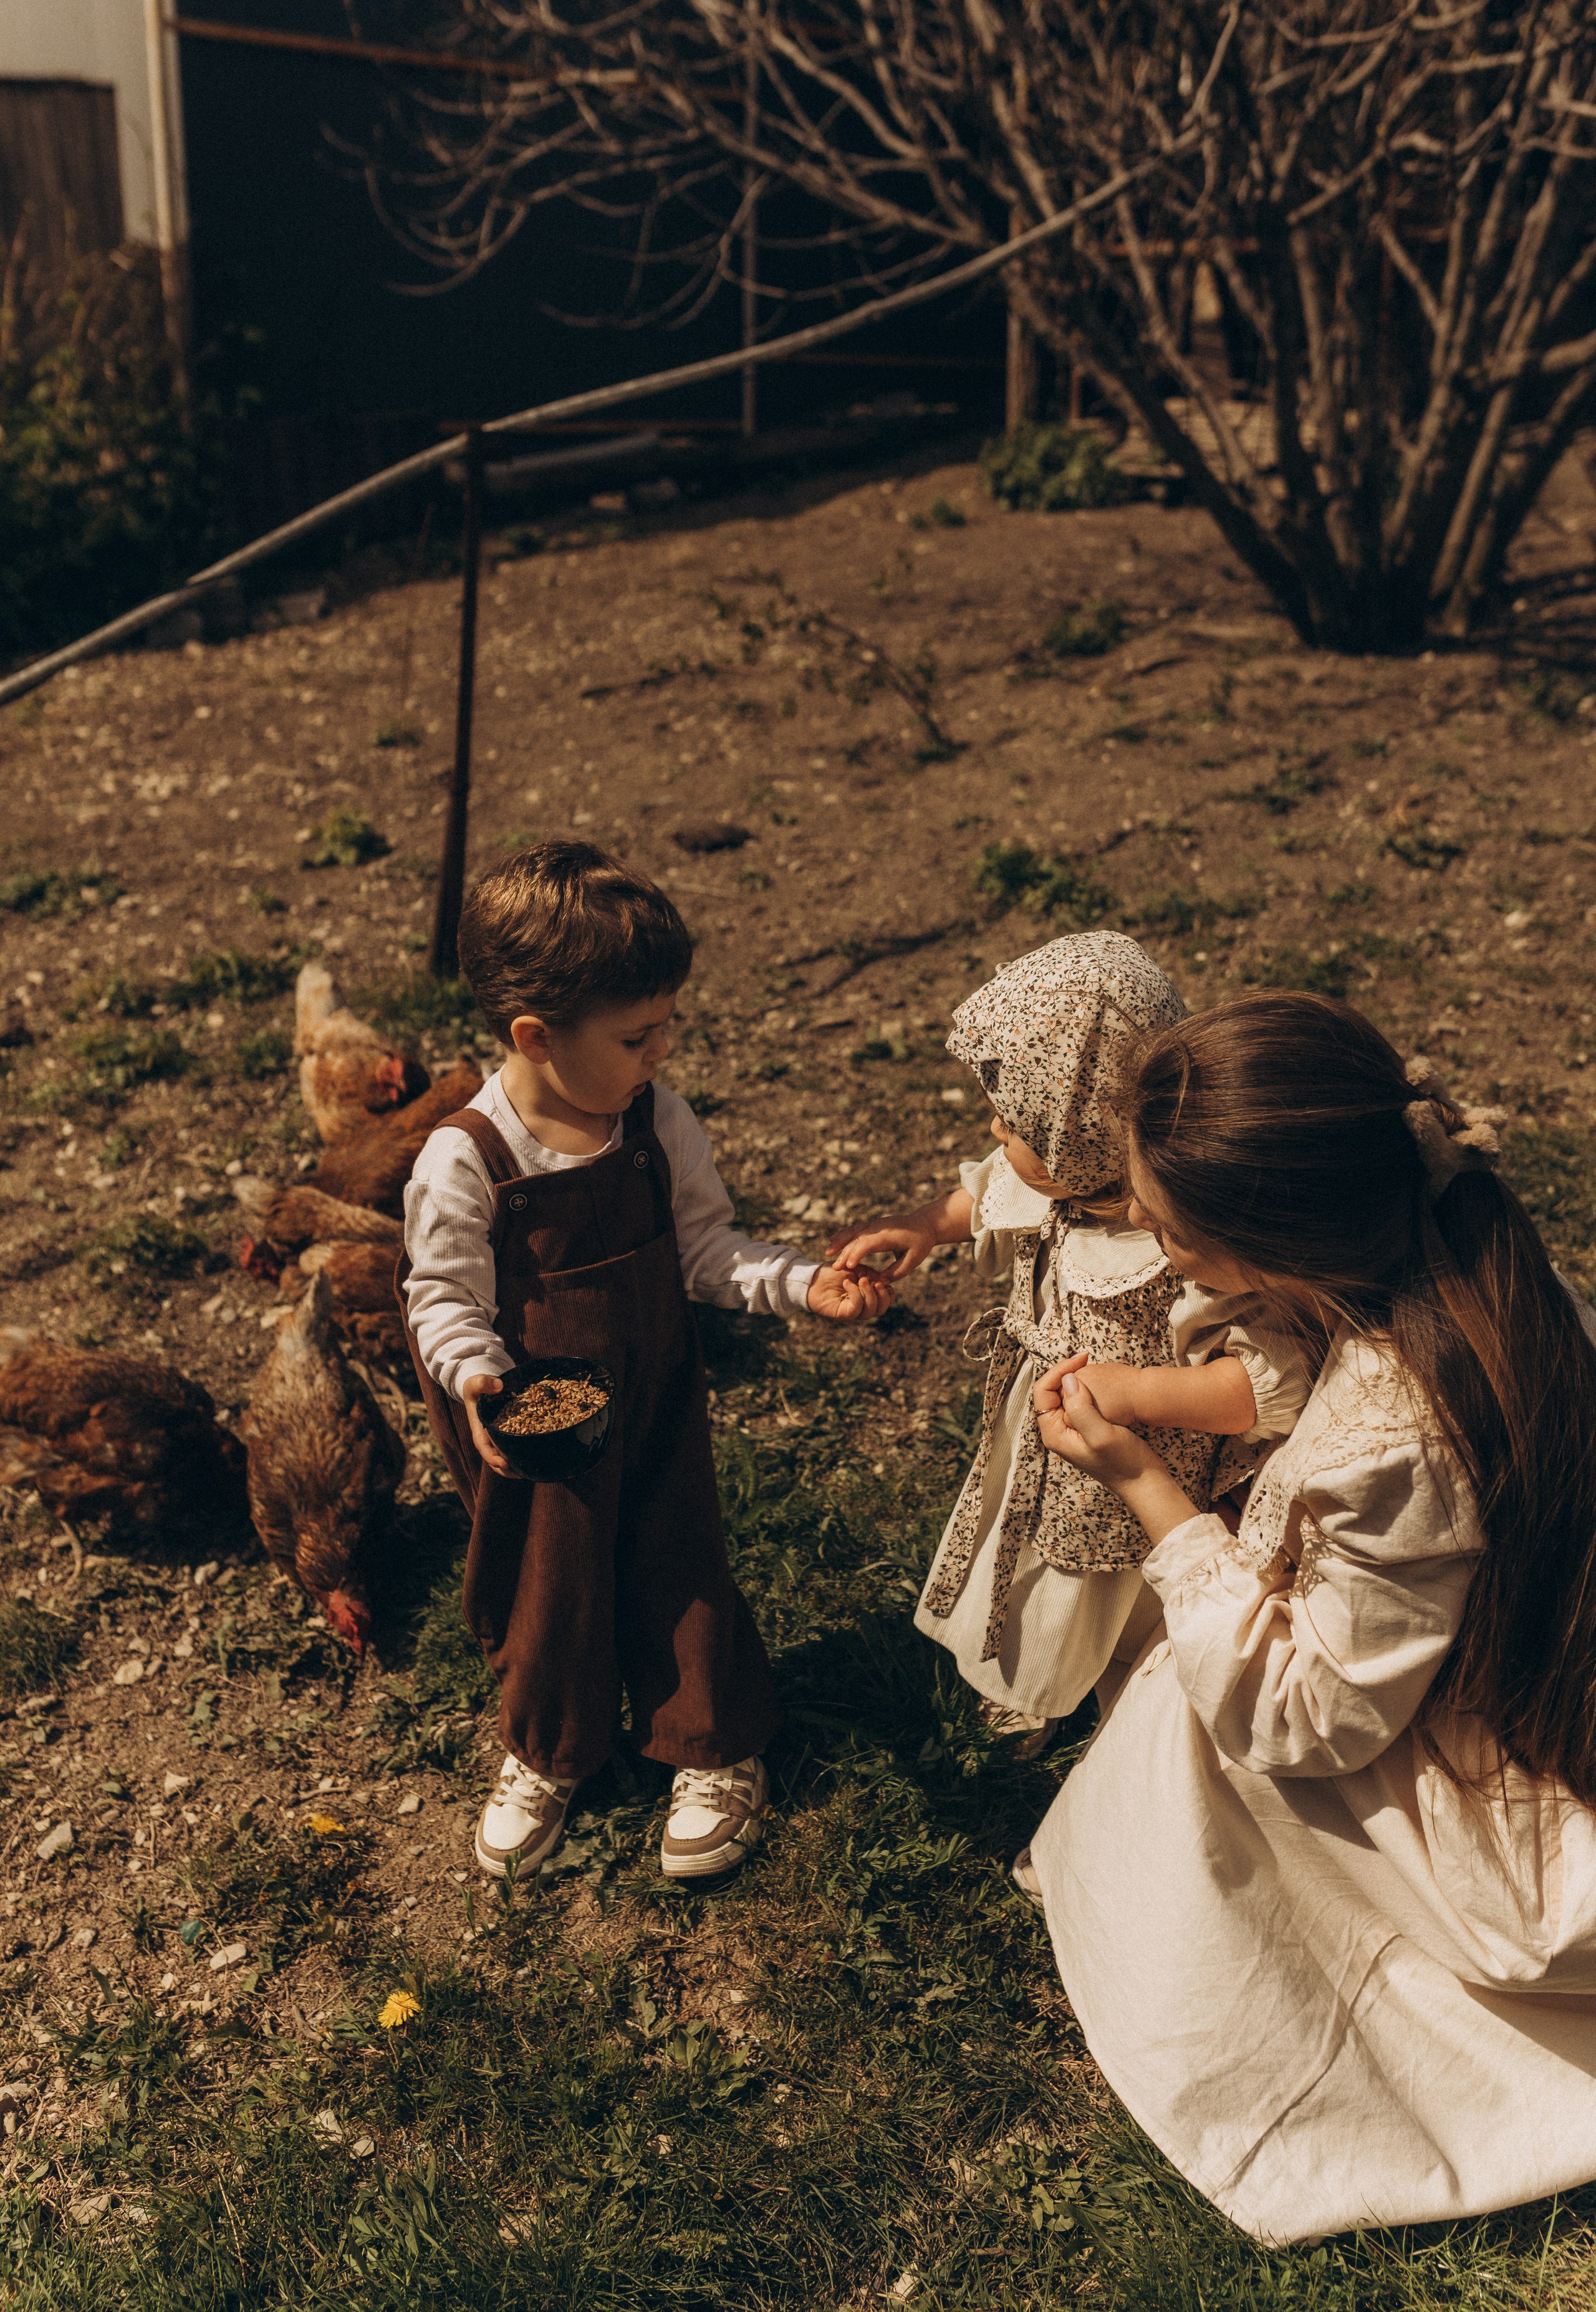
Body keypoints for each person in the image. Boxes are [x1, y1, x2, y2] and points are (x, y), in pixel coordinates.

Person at [1023, 991, 1596, 2243]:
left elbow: (1310, 1720)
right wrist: (1165, 1396)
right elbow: (1306, 1368)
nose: (1156, 1247)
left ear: (1274, 1243)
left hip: (1487, 1762)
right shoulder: (1447, 1246)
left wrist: (1149, 1494)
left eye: (1172, 1232)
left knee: (1202, 1715)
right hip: (1506, 1645)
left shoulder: (1398, 1441)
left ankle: (1248, 2018)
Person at [400, 840, 890, 1884]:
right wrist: (481, 1379)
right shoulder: (469, 1159)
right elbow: (440, 1297)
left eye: (666, 1025)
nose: (660, 1051)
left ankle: (710, 1745)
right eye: (637, 1035)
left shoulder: (656, 1124)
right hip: (536, 1425)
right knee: (549, 1587)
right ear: (535, 1037)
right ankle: (550, 1748)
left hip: (655, 1392)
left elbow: (708, 1249)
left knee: (678, 1556)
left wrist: (802, 1284)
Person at [830, 935, 1312, 1756]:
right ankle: (1034, 1679)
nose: (993, 1130)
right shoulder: (1057, 1175)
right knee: (1032, 1566)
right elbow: (991, 1190)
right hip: (1048, 1434)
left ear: (1084, 1137)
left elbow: (1271, 1385)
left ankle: (1131, 1706)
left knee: (1113, 1597)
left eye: (1014, 1122)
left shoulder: (1188, 1238)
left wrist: (1137, 1395)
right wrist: (921, 1228)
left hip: (1140, 1467)